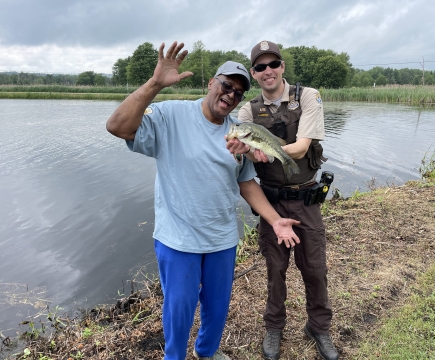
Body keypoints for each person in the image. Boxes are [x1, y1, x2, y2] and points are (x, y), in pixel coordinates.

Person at [106, 41, 301, 360]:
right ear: (211, 83)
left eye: (239, 92)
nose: (231, 94)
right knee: (179, 310)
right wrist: (155, 83)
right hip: (178, 240)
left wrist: (274, 219)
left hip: (222, 239)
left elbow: (246, 182)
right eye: (227, 85)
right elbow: (117, 127)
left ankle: (207, 352)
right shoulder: (171, 114)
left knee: (217, 306)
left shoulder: (239, 134)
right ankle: (175, 357)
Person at [236, 40, 339, 360]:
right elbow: (238, 146)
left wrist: (266, 150)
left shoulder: (307, 96)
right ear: (254, 74)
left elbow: (304, 145)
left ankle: (318, 328)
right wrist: (247, 152)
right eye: (260, 67)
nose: (268, 71)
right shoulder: (247, 111)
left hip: (306, 198)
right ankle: (274, 328)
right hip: (271, 203)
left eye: (273, 64)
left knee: (315, 269)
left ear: (282, 66)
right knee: (275, 270)